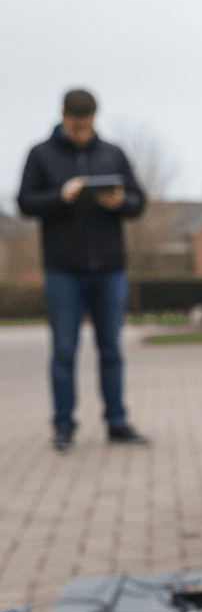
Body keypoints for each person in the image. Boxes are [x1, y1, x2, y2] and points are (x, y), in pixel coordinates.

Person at [17, 88, 150, 450]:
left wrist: (121, 202)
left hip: (110, 267)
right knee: (63, 351)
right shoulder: (40, 154)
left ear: (94, 119)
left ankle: (117, 422)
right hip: (63, 269)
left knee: (111, 350)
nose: (80, 132)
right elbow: (25, 202)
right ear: (63, 118)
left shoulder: (113, 153)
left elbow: (139, 201)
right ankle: (63, 426)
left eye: (86, 125)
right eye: (74, 126)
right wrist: (60, 197)